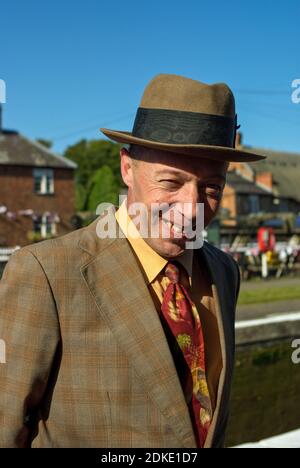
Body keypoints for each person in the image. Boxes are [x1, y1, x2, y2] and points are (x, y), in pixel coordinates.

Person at [0, 74, 265, 448]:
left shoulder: (225, 272)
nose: (191, 209)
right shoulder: (45, 273)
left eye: (211, 188)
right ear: (127, 167)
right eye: (171, 183)